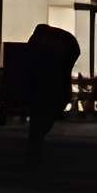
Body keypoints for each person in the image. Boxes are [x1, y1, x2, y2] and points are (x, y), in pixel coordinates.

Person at [21, 22, 80, 155]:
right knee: (53, 96)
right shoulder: (51, 42)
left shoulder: (41, 44)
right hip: (65, 55)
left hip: (60, 60)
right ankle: (38, 136)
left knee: (45, 107)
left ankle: (36, 138)